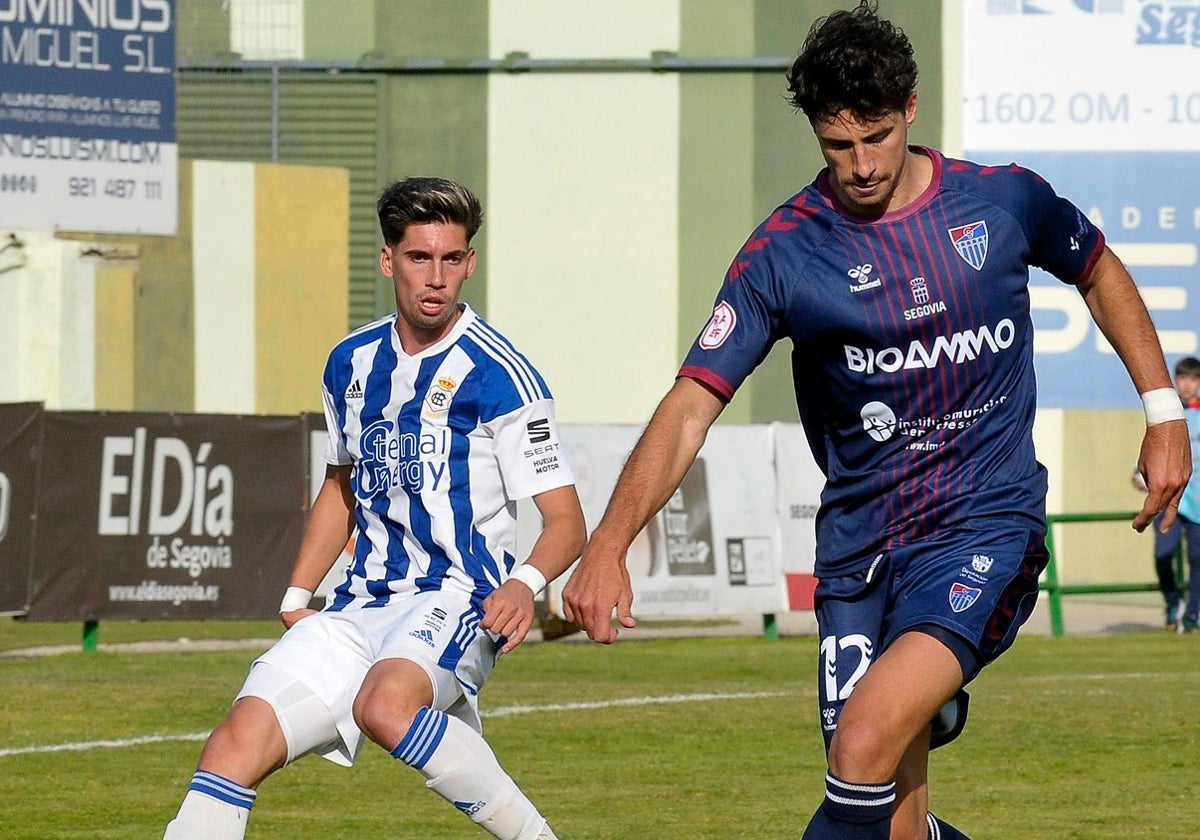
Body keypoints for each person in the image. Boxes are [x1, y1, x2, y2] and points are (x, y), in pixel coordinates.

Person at [561, 3, 1191, 839]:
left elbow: (1098, 268)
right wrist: (607, 545)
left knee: (860, 745)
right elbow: (688, 408)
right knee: (893, 821)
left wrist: (1160, 414)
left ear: (911, 109)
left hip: (985, 524)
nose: (859, 165)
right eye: (836, 145)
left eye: (877, 136)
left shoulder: (1001, 202)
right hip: (860, 553)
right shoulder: (784, 253)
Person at [162, 176, 586, 840]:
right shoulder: (351, 364)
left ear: (470, 262)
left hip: (459, 595)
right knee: (232, 747)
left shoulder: (502, 373)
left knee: (384, 707)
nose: (437, 277)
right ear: (389, 260)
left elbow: (566, 519)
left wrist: (524, 584)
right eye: (420, 258)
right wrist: (301, 588)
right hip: (359, 604)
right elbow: (341, 484)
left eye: (452, 259)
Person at [1134, 356, 1200, 632]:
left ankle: (1192, 616)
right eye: (1182, 378)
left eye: (1193, 379)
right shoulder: (1167, 415)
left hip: (1197, 502)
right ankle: (1173, 602)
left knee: (1197, 559)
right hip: (1169, 497)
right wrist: (1141, 477)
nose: (1186, 385)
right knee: (1163, 555)